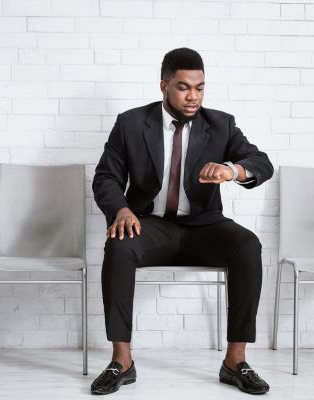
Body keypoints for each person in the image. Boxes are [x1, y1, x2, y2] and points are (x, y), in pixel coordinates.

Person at [91, 47, 273, 396]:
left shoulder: (221, 124)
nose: (193, 97)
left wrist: (232, 170)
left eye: (200, 88)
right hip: (150, 225)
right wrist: (121, 210)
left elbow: (260, 162)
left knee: (248, 245)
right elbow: (106, 178)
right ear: (164, 86)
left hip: (204, 227)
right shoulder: (131, 123)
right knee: (118, 245)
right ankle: (122, 361)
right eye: (183, 87)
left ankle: (235, 361)